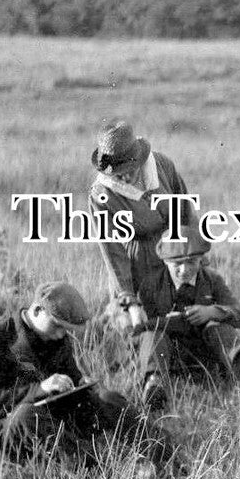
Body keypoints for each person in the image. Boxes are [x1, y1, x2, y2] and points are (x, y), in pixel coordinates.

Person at [0, 282, 174, 469]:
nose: (61, 335)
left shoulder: (57, 338)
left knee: (107, 397)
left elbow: (70, 376)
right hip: (9, 429)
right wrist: (39, 390)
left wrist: (82, 384)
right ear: (37, 310)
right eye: (58, 326)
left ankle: (165, 452)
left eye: (66, 330)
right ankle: (100, 471)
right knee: (26, 415)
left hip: (54, 418)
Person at [87, 120, 191, 330]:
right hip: (137, 264)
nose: (124, 176)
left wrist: (191, 257)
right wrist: (129, 299)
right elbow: (112, 250)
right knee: (141, 327)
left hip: (174, 254)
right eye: (117, 172)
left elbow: (185, 211)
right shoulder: (101, 194)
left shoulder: (162, 165)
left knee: (185, 321)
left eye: (129, 169)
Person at [135, 227, 240, 410]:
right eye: (177, 264)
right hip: (169, 353)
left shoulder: (212, 280)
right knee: (153, 336)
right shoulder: (150, 285)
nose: (184, 270)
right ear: (165, 262)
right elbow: (139, 331)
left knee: (220, 328)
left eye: (192, 262)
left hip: (206, 351)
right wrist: (168, 322)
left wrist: (212, 312)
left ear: (201, 259)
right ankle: (154, 384)